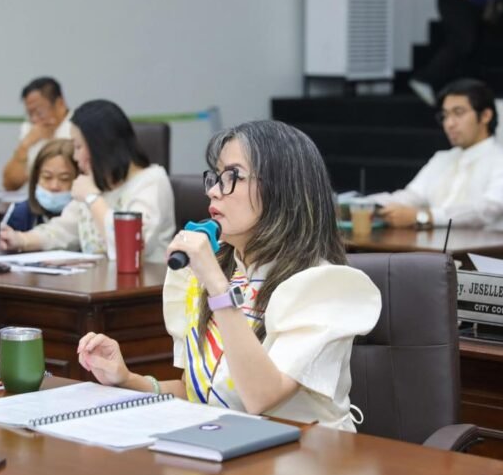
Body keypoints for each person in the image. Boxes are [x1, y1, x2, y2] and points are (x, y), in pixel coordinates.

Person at [76, 120, 381, 430]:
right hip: (228, 443)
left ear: (282, 190)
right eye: (215, 177)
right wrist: (128, 380)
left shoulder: (321, 286)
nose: (212, 191)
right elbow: (199, 396)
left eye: (232, 177)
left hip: (307, 453)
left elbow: (261, 396)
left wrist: (218, 288)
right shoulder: (212, 273)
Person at [0, 99, 175, 262]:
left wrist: (92, 198)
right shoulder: (97, 182)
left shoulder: (151, 182)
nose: (75, 157)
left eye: (78, 147)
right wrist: (21, 239)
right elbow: (63, 230)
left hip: (143, 284)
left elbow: (130, 247)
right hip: (97, 281)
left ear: (100, 147)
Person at [371, 79, 503, 230]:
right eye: (445, 115)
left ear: (485, 115)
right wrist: (366, 204)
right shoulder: (441, 159)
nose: (449, 123)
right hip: (431, 245)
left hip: (481, 247)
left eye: (458, 113)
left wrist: (422, 217)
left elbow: (485, 211)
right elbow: (411, 197)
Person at [1, 77, 72, 191]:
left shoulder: (78, 128)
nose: (34, 119)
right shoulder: (31, 130)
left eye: (39, 112)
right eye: (30, 114)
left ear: (60, 104)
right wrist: (25, 146)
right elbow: (10, 185)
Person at [3, 138, 78, 232]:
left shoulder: (87, 216)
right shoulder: (20, 212)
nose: (54, 186)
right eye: (47, 177)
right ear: (36, 178)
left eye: (64, 179)